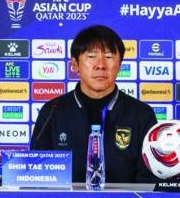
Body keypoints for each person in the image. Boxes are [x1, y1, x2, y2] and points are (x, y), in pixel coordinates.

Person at [31, 24, 158, 182]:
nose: (101, 65)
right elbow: (37, 175)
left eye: (109, 57)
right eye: (91, 56)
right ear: (75, 64)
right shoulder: (52, 111)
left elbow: (148, 181)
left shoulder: (141, 114)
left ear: (119, 65)